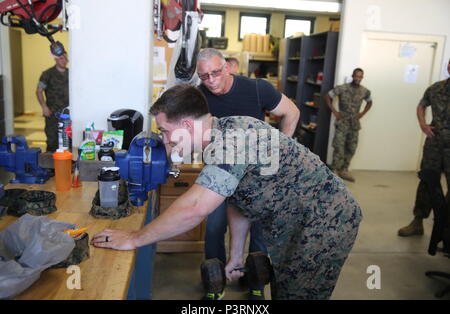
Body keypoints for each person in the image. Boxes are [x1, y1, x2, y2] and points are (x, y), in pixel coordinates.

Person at [91, 84, 362, 300]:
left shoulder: (232, 141)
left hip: (325, 221)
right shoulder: (219, 137)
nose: (164, 140)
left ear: (186, 126)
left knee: (296, 293)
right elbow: (239, 202)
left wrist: (135, 238)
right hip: (298, 222)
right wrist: (235, 256)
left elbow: (195, 208)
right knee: (283, 288)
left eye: (164, 131)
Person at [196, 48, 300, 300]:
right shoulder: (198, 96)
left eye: (216, 73)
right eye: (204, 76)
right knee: (214, 227)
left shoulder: (256, 88)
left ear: (228, 67)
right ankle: (216, 280)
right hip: (220, 171)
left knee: (259, 228)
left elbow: (292, 112)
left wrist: (278, 148)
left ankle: (255, 281)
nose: (211, 81)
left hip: (257, 172)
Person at [398, 58, 450, 237]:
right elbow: (421, 105)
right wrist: (423, 124)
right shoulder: (436, 88)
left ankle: (445, 229)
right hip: (434, 145)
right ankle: (417, 222)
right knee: (427, 182)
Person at [324, 68, 373, 182]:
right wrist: (335, 112)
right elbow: (328, 96)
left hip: (354, 124)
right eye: (356, 76)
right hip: (342, 122)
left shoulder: (365, 91)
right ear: (352, 76)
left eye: (360, 77)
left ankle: (344, 170)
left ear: (362, 78)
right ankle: (334, 171)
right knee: (338, 147)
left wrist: (362, 113)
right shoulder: (342, 88)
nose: (358, 78)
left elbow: (370, 102)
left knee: (351, 148)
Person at [36, 51, 69, 152]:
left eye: (65, 58)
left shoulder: (71, 73)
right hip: (52, 113)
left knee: (68, 139)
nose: (64, 61)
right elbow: (39, 91)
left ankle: (67, 164)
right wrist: (44, 107)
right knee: (52, 140)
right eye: (61, 58)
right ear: (55, 59)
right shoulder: (47, 74)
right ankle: (50, 166)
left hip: (68, 113)